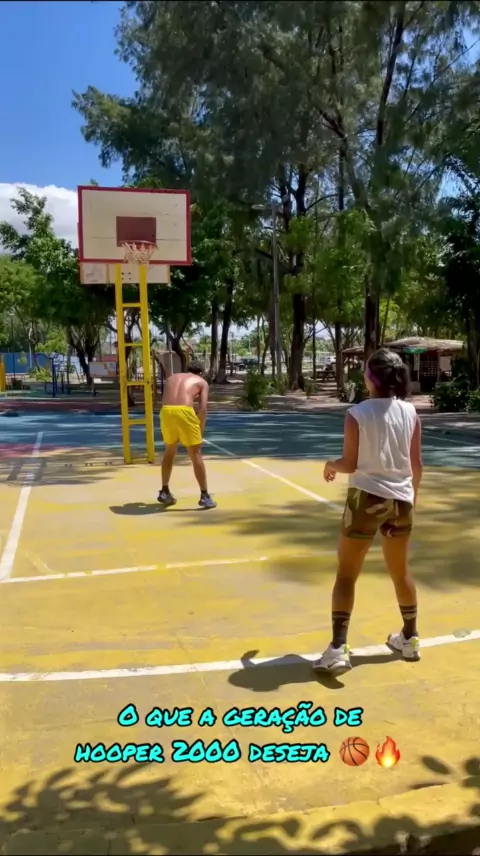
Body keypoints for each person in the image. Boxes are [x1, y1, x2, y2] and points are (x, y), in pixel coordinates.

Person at [314, 347, 423, 673]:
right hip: (401, 501)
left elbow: (350, 463)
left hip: (367, 499)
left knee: (347, 574)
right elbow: (416, 465)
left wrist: (330, 465)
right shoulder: (410, 413)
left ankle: (338, 649)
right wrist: (411, 500)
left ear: (371, 378)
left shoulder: (357, 413)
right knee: (401, 572)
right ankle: (410, 638)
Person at [157, 361, 216, 510]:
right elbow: (202, 409)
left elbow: (166, 398)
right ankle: (204, 496)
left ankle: (164, 490)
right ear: (201, 373)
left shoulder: (172, 378)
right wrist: (200, 429)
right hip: (184, 411)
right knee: (195, 454)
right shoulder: (201, 382)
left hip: (166, 411)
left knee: (169, 451)